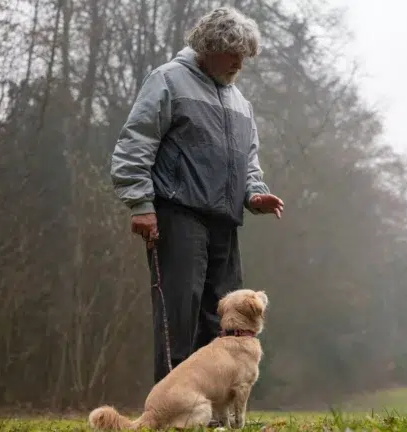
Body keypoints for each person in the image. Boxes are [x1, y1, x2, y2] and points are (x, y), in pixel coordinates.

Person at [110, 6, 284, 387]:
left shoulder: (240, 102)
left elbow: (248, 159)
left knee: (225, 321)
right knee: (179, 315)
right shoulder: (168, 80)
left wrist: (255, 194)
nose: (240, 62)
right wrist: (140, 204)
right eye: (234, 53)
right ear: (209, 47)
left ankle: (213, 412)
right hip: (177, 215)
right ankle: (170, 409)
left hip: (225, 222)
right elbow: (136, 142)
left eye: (245, 55)